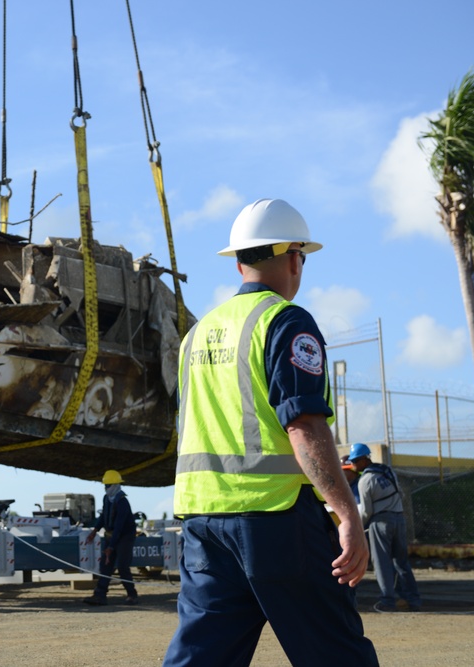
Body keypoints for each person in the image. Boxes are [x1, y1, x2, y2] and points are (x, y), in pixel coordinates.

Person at [163, 199, 378, 666]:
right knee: (335, 652)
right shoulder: (285, 321)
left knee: (202, 657)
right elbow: (303, 426)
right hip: (275, 520)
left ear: (239, 262)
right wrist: (347, 515)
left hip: (203, 524)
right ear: (293, 257)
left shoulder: (195, 336)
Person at [349, 442, 422, 613]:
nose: (352, 465)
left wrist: (357, 528)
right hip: (399, 519)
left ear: (362, 461)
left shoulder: (365, 480)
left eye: (354, 461)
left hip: (380, 522)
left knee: (382, 563)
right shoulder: (388, 472)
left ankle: (387, 601)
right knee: (401, 562)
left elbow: (367, 511)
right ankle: (413, 599)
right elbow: (401, 494)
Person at [82, 469, 138, 606]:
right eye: (105, 486)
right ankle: (99, 595)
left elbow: (119, 527)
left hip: (124, 537)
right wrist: (95, 530)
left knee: (123, 566)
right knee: (105, 566)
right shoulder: (107, 499)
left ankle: (132, 594)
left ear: (116, 486)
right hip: (111, 535)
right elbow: (103, 516)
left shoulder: (123, 502)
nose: (106, 488)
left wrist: (111, 547)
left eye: (108, 486)